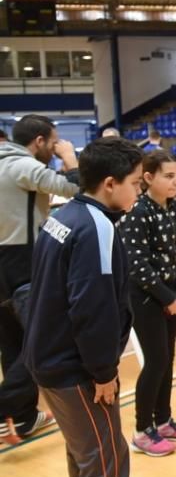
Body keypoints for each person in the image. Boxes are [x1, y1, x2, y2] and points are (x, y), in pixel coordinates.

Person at [22, 137, 156, 477]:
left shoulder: (64, 215)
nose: (139, 190)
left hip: (48, 359)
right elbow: (92, 308)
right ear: (110, 183)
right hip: (74, 367)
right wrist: (103, 371)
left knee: (84, 452)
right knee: (104, 456)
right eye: (136, 182)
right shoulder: (96, 226)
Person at [0, 114, 79, 445]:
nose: (56, 145)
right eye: (54, 140)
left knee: (12, 342)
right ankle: (4, 407)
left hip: (3, 262)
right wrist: (71, 158)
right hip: (23, 263)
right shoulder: (23, 166)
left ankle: (23, 417)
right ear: (39, 142)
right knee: (39, 342)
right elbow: (74, 187)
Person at [119, 150, 176, 457]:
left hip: (172, 301)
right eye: (168, 175)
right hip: (146, 299)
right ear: (148, 178)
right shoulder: (138, 212)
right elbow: (137, 265)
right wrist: (166, 297)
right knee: (155, 362)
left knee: (167, 360)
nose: (175, 181)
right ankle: (142, 430)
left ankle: (163, 421)